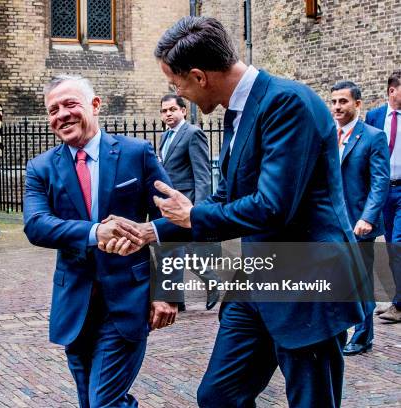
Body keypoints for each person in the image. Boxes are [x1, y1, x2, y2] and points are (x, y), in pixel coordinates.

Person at [103, 16, 368, 407]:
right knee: (218, 396)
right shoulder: (238, 111)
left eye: (176, 85)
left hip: (307, 284)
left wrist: (194, 216)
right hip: (255, 282)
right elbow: (226, 194)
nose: (178, 94)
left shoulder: (287, 102)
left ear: (198, 76)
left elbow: (272, 206)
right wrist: (151, 232)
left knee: (312, 400)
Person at [23, 75, 181, 407]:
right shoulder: (41, 168)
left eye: (70, 104)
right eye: (53, 110)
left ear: (95, 106)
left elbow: (174, 221)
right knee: (92, 401)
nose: (61, 115)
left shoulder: (135, 153)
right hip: (75, 305)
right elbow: (36, 225)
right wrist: (96, 233)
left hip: (128, 300)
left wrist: (168, 292)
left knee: (103, 403)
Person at [330, 80, 389, 355]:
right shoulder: (329, 135)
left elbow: (380, 182)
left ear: (357, 104)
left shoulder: (373, 136)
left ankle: (364, 335)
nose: (337, 107)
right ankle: (338, 330)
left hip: (359, 222)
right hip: (332, 221)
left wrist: (367, 217)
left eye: (343, 101)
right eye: (334, 102)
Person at [158, 94, 220, 310]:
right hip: (170, 206)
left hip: (188, 206)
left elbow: (202, 176)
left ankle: (213, 281)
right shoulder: (164, 138)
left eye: (172, 109)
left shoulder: (193, 134)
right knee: (170, 251)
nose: (168, 114)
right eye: (164, 111)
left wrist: (198, 210)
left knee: (189, 253)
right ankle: (177, 301)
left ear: (183, 111)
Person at [365, 70, 401, 323]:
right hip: (382, 191)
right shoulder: (375, 116)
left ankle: (399, 305)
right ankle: (397, 299)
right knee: (390, 246)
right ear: (392, 91)